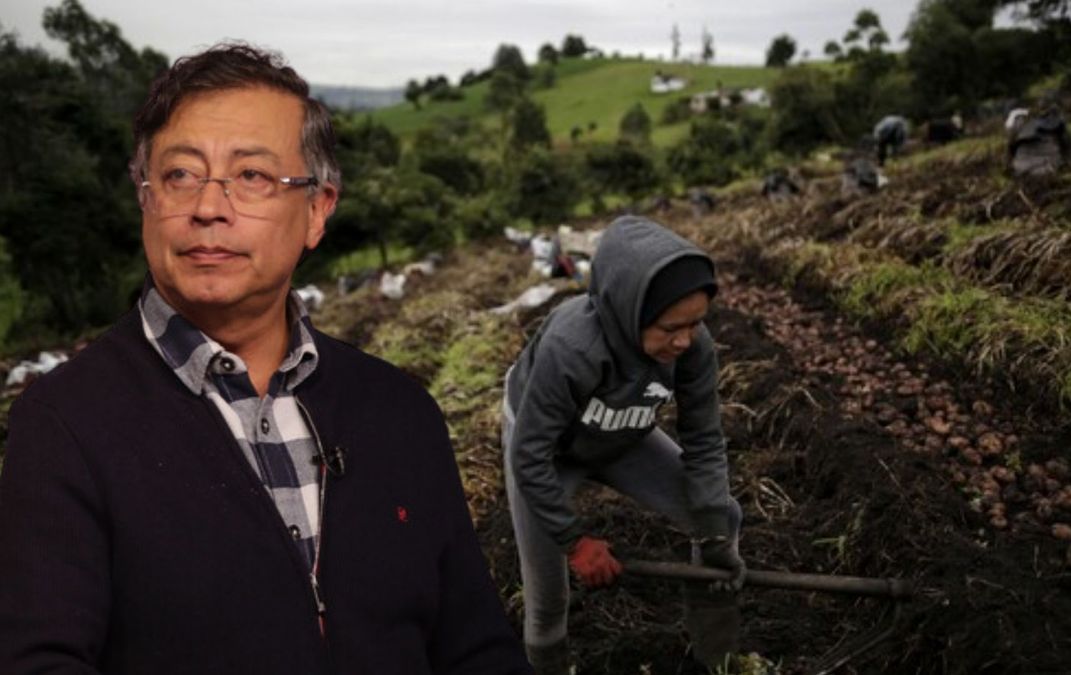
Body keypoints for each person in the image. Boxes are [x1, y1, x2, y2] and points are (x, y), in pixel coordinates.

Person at [0, 44, 530, 675]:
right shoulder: (65, 424)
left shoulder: (398, 411)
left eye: (251, 176)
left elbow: (474, 646)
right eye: (179, 176)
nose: (208, 207)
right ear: (146, 200)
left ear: (316, 210)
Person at [502, 216, 745, 674]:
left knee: (722, 516)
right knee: (547, 593)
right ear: (627, 310)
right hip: (547, 451)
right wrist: (575, 542)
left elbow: (704, 439)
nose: (684, 339)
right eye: (670, 327)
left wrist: (713, 539)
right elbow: (529, 457)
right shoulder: (573, 347)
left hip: (622, 433)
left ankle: (717, 658)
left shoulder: (692, 346)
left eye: (695, 323)